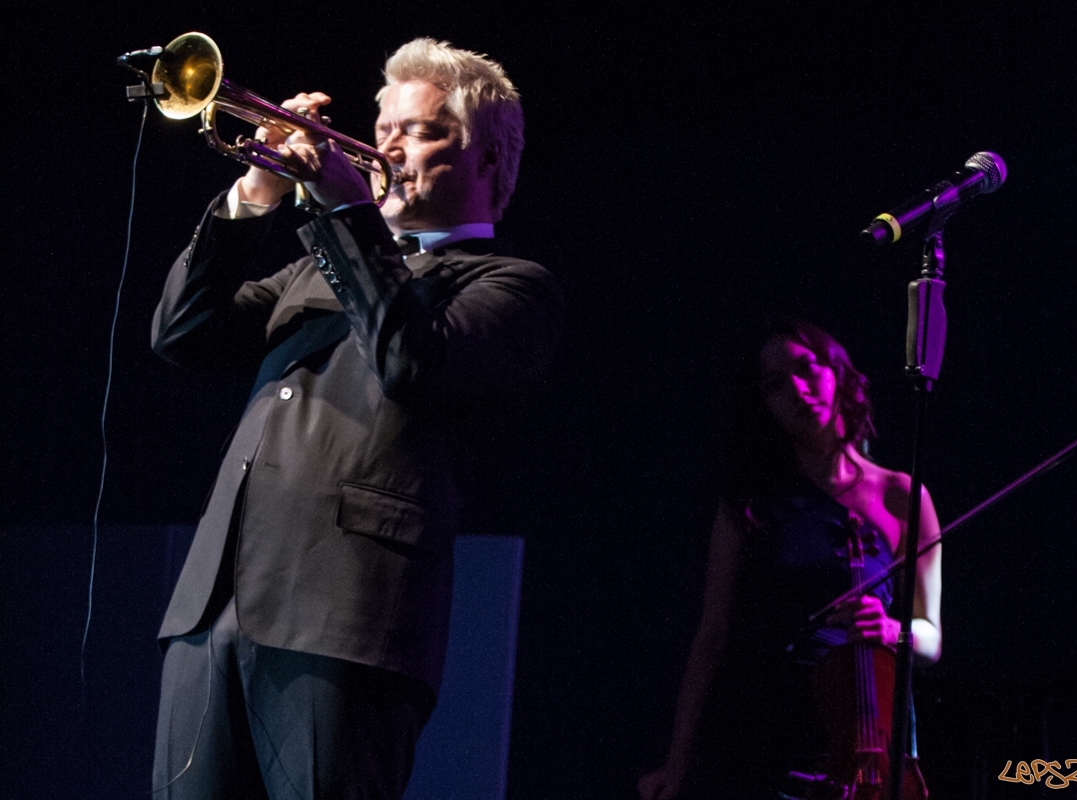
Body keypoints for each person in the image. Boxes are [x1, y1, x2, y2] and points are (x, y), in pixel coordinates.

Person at [150, 38, 563, 798]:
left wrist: (348, 210)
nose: (388, 150)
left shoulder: (513, 287)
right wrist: (257, 191)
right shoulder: (321, 265)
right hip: (214, 608)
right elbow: (183, 332)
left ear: (488, 161)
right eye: (383, 131)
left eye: (421, 131)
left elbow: (412, 363)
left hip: (346, 623)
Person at [638, 319, 942, 800]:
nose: (798, 390)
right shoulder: (751, 502)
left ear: (838, 371)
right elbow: (712, 635)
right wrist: (676, 765)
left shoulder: (901, 496)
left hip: (862, 736)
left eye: (807, 367)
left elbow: (930, 638)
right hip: (763, 732)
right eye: (775, 384)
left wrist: (889, 629)